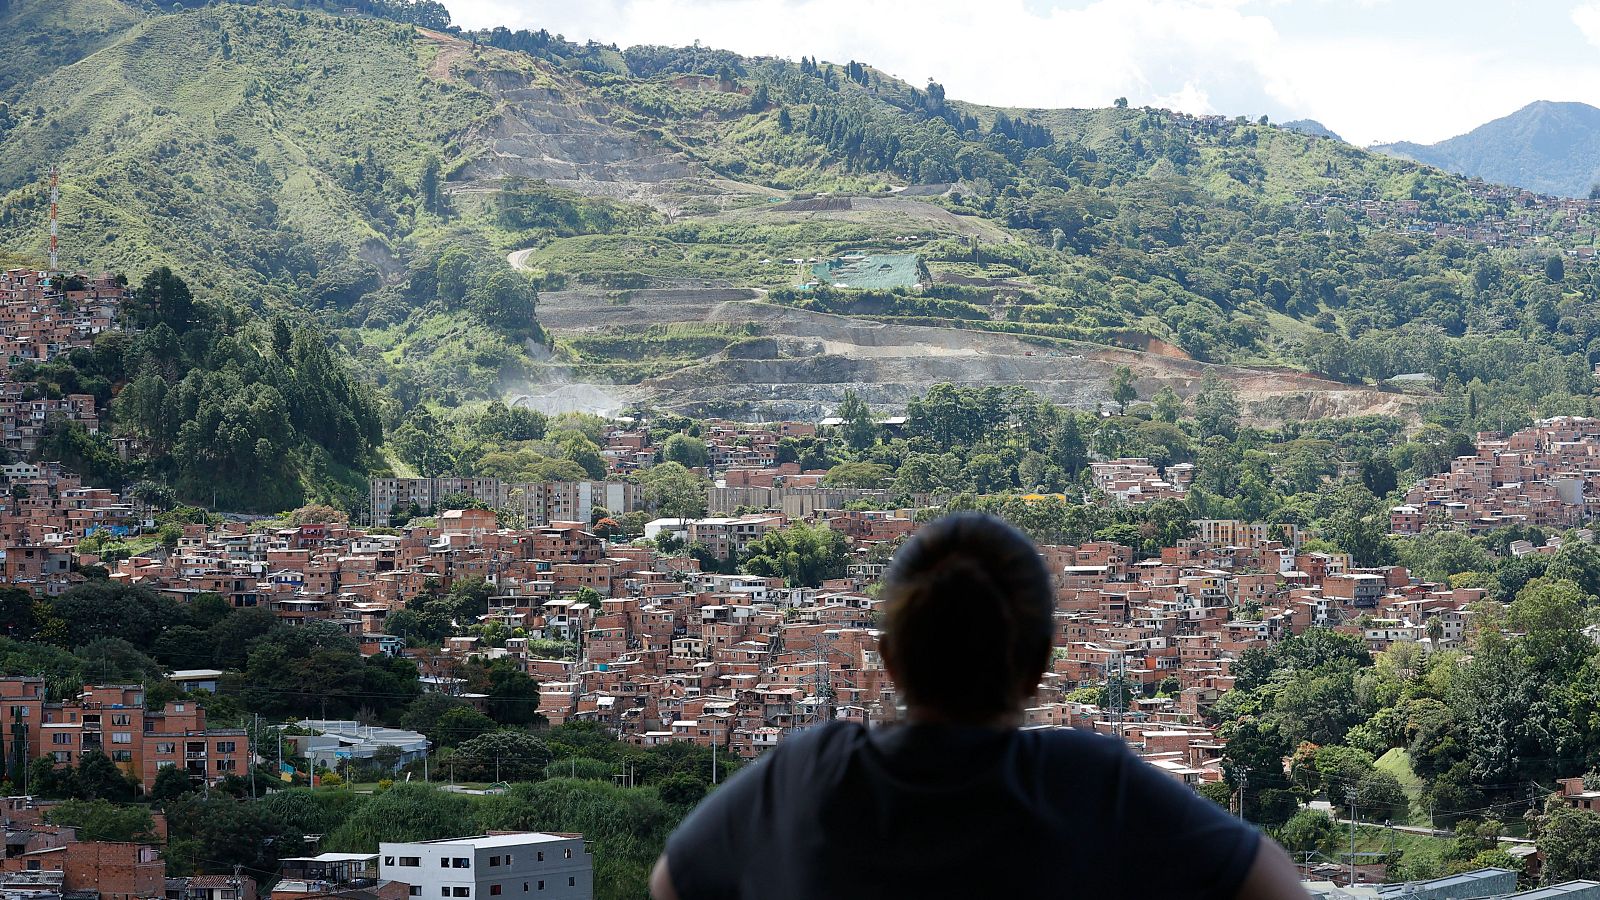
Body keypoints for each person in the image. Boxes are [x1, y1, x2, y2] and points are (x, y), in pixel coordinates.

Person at [650, 512, 1306, 899]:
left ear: (889, 661)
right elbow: (1277, 889)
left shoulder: (808, 775)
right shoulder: (1086, 783)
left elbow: (669, 885)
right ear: (1040, 667)